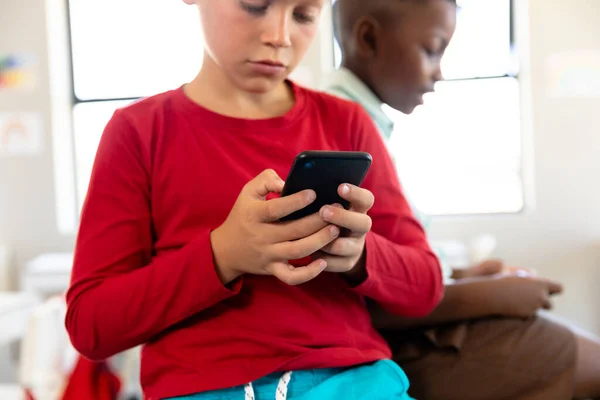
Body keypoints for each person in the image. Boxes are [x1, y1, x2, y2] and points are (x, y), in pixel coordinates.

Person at [64, 1, 445, 399]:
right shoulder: (138, 133)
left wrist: (360, 255)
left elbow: (426, 284)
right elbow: (90, 325)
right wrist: (222, 255)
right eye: (255, 5)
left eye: (303, 15)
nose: (279, 37)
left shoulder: (346, 123)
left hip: (350, 382)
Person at [325, 0, 600, 399]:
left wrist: (458, 275)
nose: (440, 71)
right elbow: (358, 296)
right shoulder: (340, 124)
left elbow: (390, 258)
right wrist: (493, 296)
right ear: (368, 38)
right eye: (431, 49)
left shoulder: (369, 123)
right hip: (394, 341)